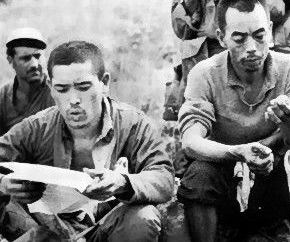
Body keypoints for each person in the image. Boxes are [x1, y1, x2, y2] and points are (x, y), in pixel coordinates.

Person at [177, 0, 290, 242]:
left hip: (274, 185)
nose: (251, 48)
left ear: (270, 31)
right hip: (224, 188)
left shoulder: (289, 67)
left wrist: (289, 122)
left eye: (259, 36)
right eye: (239, 38)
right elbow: (191, 142)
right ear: (221, 37)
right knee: (198, 175)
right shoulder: (204, 74)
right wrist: (237, 153)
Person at [0, 41, 174, 241]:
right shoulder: (36, 127)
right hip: (49, 232)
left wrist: (123, 183)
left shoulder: (133, 124)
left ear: (104, 83)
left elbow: (164, 178)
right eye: (62, 89)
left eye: (83, 87)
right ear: (50, 87)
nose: (73, 99)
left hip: (108, 227)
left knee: (143, 218)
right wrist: (4, 183)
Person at [0, 27, 54, 135]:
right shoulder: (3, 97)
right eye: (25, 58)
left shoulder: (57, 90)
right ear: (11, 61)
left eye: (37, 56)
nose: (34, 64)